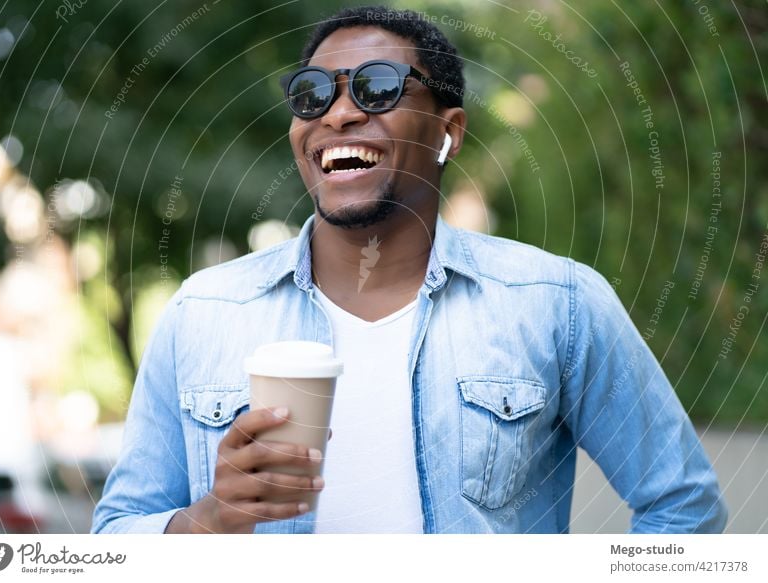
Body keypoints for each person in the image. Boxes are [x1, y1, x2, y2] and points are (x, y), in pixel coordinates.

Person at [91, 6, 727, 534]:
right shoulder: (204, 311)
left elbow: (682, 509)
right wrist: (206, 523)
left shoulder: (556, 303)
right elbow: (116, 535)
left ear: (448, 132)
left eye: (378, 87)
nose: (336, 115)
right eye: (312, 95)